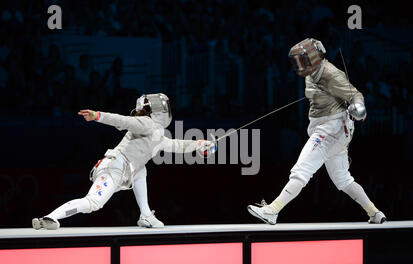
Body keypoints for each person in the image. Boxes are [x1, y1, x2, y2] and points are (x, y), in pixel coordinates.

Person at [248, 38, 387, 225]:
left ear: (314, 57)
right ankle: (375, 213)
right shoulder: (312, 72)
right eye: (297, 61)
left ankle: (273, 210)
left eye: (302, 60)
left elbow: (355, 94)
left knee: (301, 170)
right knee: (343, 179)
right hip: (331, 129)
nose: (299, 65)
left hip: (331, 130)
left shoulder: (331, 73)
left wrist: (359, 107)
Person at [32, 93, 215, 230]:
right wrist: (98, 116)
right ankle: (49, 218)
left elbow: (177, 145)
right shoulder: (147, 123)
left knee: (141, 170)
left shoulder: (157, 135)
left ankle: (145, 215)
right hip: (114, 167)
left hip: (126, 170)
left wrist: (200, 144)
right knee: (93, 203)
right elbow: (124, 121)